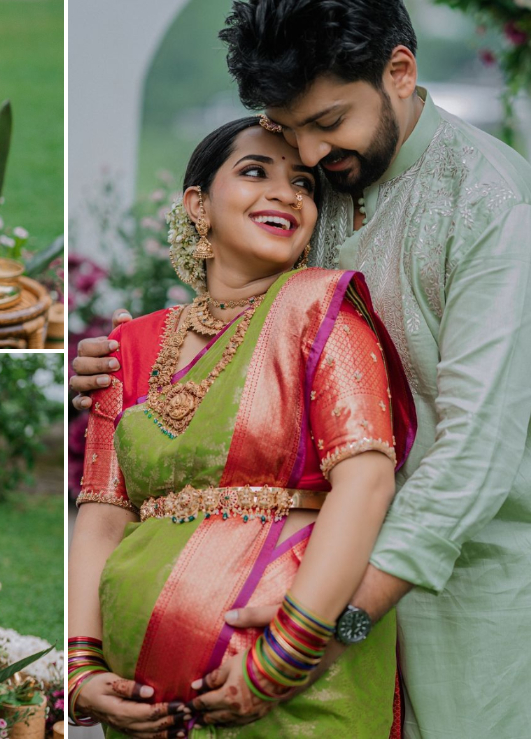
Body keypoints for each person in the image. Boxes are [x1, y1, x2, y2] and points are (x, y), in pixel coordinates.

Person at [71, 0, 531, 738]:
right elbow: (245, 330)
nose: (306, 151)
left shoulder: (495, 208)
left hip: (469, 600)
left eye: (326, 121)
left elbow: (475, 452)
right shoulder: (325, 179)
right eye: (284, 125)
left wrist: (328, 623)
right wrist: (131, 370)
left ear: (399, 70)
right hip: (315, 589)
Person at [68, 116, 418, 738]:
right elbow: (101, 518)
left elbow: (366, 488)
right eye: (255, 172)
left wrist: (292, 650)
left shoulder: (323, 314)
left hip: (300, 687)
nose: (286, 193)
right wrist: (81, 668)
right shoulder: (130, 346)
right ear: (197, 204)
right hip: (144, 710)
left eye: (305, 185)